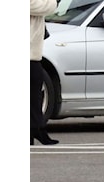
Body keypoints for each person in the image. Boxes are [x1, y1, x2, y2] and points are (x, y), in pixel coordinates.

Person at [30, 0, 59, 145]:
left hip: (32, 51)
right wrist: (53, 3)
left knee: (34, 91)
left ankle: (34, 129)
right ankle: (37, 129)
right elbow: (35, 5)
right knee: (34, 91)